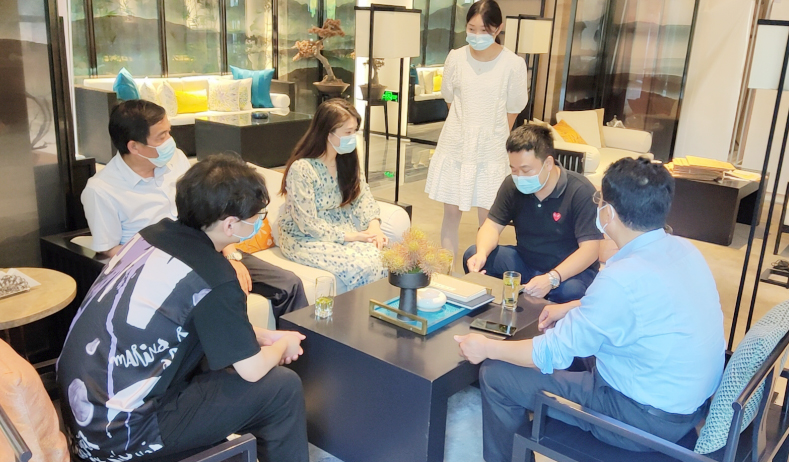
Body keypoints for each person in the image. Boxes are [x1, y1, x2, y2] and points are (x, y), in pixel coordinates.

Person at [455, 157, 726, 462]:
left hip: (637, 419)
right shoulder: (685, 250)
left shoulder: (621, 277)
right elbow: (643, 307)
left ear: (609, 212)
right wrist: (573, 307)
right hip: (687, 406)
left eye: (600, 201)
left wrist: (487, 347)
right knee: (570, 344)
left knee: (497, 374)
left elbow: (548, 353)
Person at [58, 153, 309, 462]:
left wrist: (263, 336)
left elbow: (185, 320)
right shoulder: (215, 276)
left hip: (84, 424)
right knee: (282, 388)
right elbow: (253, 369)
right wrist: (283, 345)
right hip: (125, 436)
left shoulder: (149, 237)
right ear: (231, 224)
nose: (259, 221)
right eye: (258, 216)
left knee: (218, 366)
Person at [81, 99, 307, 319]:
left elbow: (209, 210)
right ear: (134, 146)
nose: (171, 141)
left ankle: (296, 344)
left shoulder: (176, 160)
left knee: (289, 284)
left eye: (169, 132)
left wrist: (230, 255)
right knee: (222, 297)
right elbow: (110, 250)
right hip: (161, 266)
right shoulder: (101, 190)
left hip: (210, 248)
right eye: (162, 136)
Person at [424, 0, 529, 262]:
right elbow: (450, 98)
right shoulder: (456, 57)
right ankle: (446, 272)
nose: (477, 35)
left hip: (491, 148)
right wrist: (465, 127)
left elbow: (514, 108)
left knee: (489, 219)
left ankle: (480, 273)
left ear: (498, 28)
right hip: (456, 144)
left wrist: (493, 135)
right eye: (472, 29)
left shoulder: (513, 64)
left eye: (485, 30)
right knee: (451, 215)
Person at [464, 125, 602, 303]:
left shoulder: (580, 190)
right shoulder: (512, 185)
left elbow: (590, 250)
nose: (519, 176)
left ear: (548, 163)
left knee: (569, 292)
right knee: (472, 255)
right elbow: (491, 226)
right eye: (514, 169)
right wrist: (482, 254)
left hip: (567, 271)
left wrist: (551, 278)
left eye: (526, 170)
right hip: (526, 262)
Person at [278, 98, 387, 291]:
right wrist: (352, 236)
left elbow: (363, 197)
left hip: (343, 230)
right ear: (328, 133)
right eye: (348, 132)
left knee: (386, 257)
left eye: (355, 131)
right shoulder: (302, 169)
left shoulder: (347, 162)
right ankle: (360, 309)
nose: (352, 138)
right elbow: (307, 223)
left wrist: (374, 227)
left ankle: (382, 306)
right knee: (361, 266)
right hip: (305, 239)